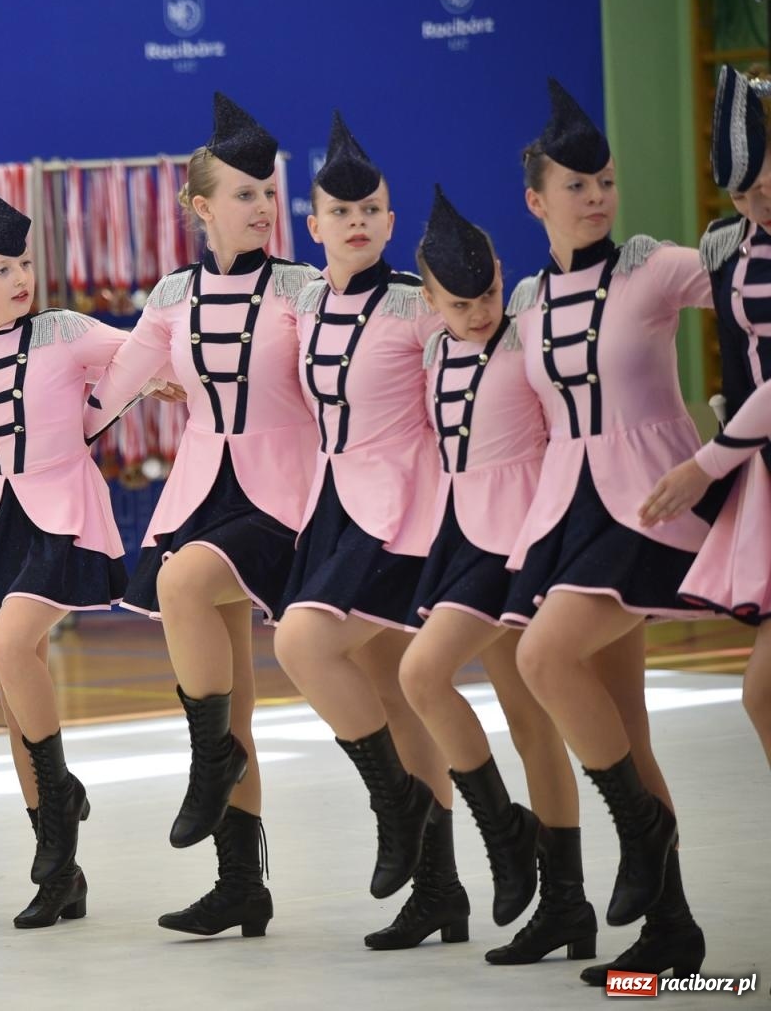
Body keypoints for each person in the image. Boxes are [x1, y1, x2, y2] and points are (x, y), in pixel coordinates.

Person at [80, 94, 318, 938]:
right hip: (204, 488)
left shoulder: (304, 287)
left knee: (182, 582)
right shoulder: (173, 295)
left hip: (288, 494)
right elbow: (105, 392)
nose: (261, 207)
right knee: (237, 699)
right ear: (199, 206)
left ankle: (209, 759)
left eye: (269, 192)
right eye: (243, 194)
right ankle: (239, 884)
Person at [506, 78, 711, 986]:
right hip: (565, 512)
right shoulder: (523, 303)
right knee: (624, 719)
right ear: (535, 200)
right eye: (576, 186)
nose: (595, 197)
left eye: (606, 182)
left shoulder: (655, 266)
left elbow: (750, 285)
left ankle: (641, 831)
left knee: (543, 660)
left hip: (649, 504)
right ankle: (673, 932)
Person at [269, 114, 460, 951]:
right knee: (386, 687)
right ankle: (440, 891)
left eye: (371, 211)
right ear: (314, 227)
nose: (356, 223)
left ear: (389, 222)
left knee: (301, 644)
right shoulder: (304, 304)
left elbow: (481, 375)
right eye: (339, 214)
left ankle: (397, 806)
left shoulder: (420, 307)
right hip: (333, 507)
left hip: (407, 513)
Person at [397, 185, 596, 965]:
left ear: (501, 277)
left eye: (484, 296)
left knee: (526, 717)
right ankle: (512, 839)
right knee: (431, 679)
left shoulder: (529, 341)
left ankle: (563, 898)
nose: (476, 313)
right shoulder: (432, 348)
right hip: (462, 542)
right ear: (430, 300)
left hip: (528, 543)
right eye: (457, 303)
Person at [0, 178, 134, 928]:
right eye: (1, 270)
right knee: (16, 686)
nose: (20, 279)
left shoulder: (64, 332)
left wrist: (102, 410)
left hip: (64, 511)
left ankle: (59, 799)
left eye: (23, 264)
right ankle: (59, 870)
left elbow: (139, 355)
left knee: (13, 645)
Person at [644, 65, 771, 770]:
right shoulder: (728, 244)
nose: (759, 199)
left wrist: (705, 463)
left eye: (767, 177)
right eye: (742, 189)